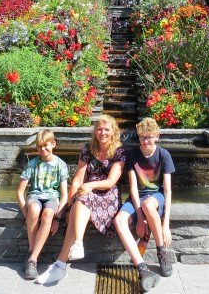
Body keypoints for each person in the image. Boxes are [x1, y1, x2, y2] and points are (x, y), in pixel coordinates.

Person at [35, 115, 126, 285]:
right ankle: (73, 249)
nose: (103, 132)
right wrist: (68, 205)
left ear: (113, 131)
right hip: (87, 195)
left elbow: (111, 181)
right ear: (95, 131)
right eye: (99, 129)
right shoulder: (88, 149)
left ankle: (62, 264)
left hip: (108, 195)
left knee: (83, 198)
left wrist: (90, 186)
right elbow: (77, 180)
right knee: (78, 204)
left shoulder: (119, 151)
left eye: (106, 129)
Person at [114, 118, 175, 292]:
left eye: (149, 137)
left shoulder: (164, 155)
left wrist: (166, 225)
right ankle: (142, 268)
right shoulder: (132, 154)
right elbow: (133, 187)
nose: (145, 141)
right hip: (136, 199)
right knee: (119, 221)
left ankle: (161, 252)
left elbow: (168, 191)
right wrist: (140, 218)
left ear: (157, 136)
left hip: (156, 198)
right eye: (142, 137)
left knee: (149, 204)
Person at [16, 130, 69, 280]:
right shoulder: (32, 164)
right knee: (33, 209)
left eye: (45, 146)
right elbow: (20, 192)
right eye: (39, 147)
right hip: (35, 196)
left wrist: (58, 218)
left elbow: (64, 194)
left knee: (47, 214)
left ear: (53, 144)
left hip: (52, 197)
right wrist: (27, 215)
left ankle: (31, 258)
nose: (42, 150)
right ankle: (33, 256)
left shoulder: (61, 165)